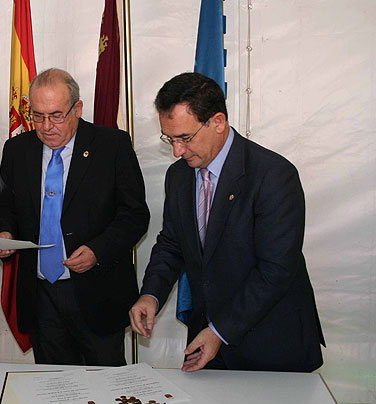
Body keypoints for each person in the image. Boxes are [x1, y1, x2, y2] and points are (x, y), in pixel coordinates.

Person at [0, 68, 149, 404]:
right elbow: (5, 207)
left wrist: (98, 250)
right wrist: (5, 234)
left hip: (98, 292)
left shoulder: (112, 145)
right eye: (38, 116)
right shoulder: (18, 149)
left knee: (111, 397)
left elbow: (135, 216)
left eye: (56, 115)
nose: (46, 126)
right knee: (62, 397)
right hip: (42, 294)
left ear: (77, 108)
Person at [130, 72, 325, 374]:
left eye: (185, 138)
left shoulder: (272, 176)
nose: (177, 151)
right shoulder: (179, 176)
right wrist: (151, 294)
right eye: (170, 138)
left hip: (271, 344)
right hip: (207, 343)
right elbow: (172, 243)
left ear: (218, 122)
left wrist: (220, 331)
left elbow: (275, 271)